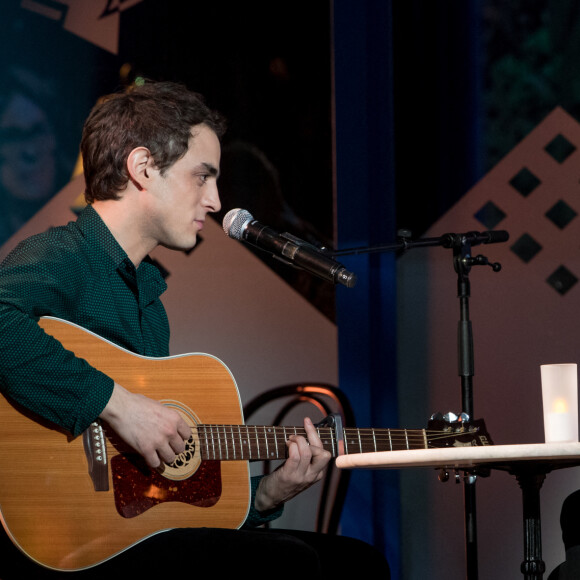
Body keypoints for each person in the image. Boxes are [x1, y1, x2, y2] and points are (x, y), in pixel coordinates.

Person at [0, 80, 390, 579]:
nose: (216, 200)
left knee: (357, 563)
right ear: (143, 168)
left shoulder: (149, 301)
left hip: (121, 538)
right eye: (202, 176)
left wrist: (269, 493)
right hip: (59, 537)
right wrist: (119, 405)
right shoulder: (63, 256)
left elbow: (159, 503)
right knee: (296, 565)